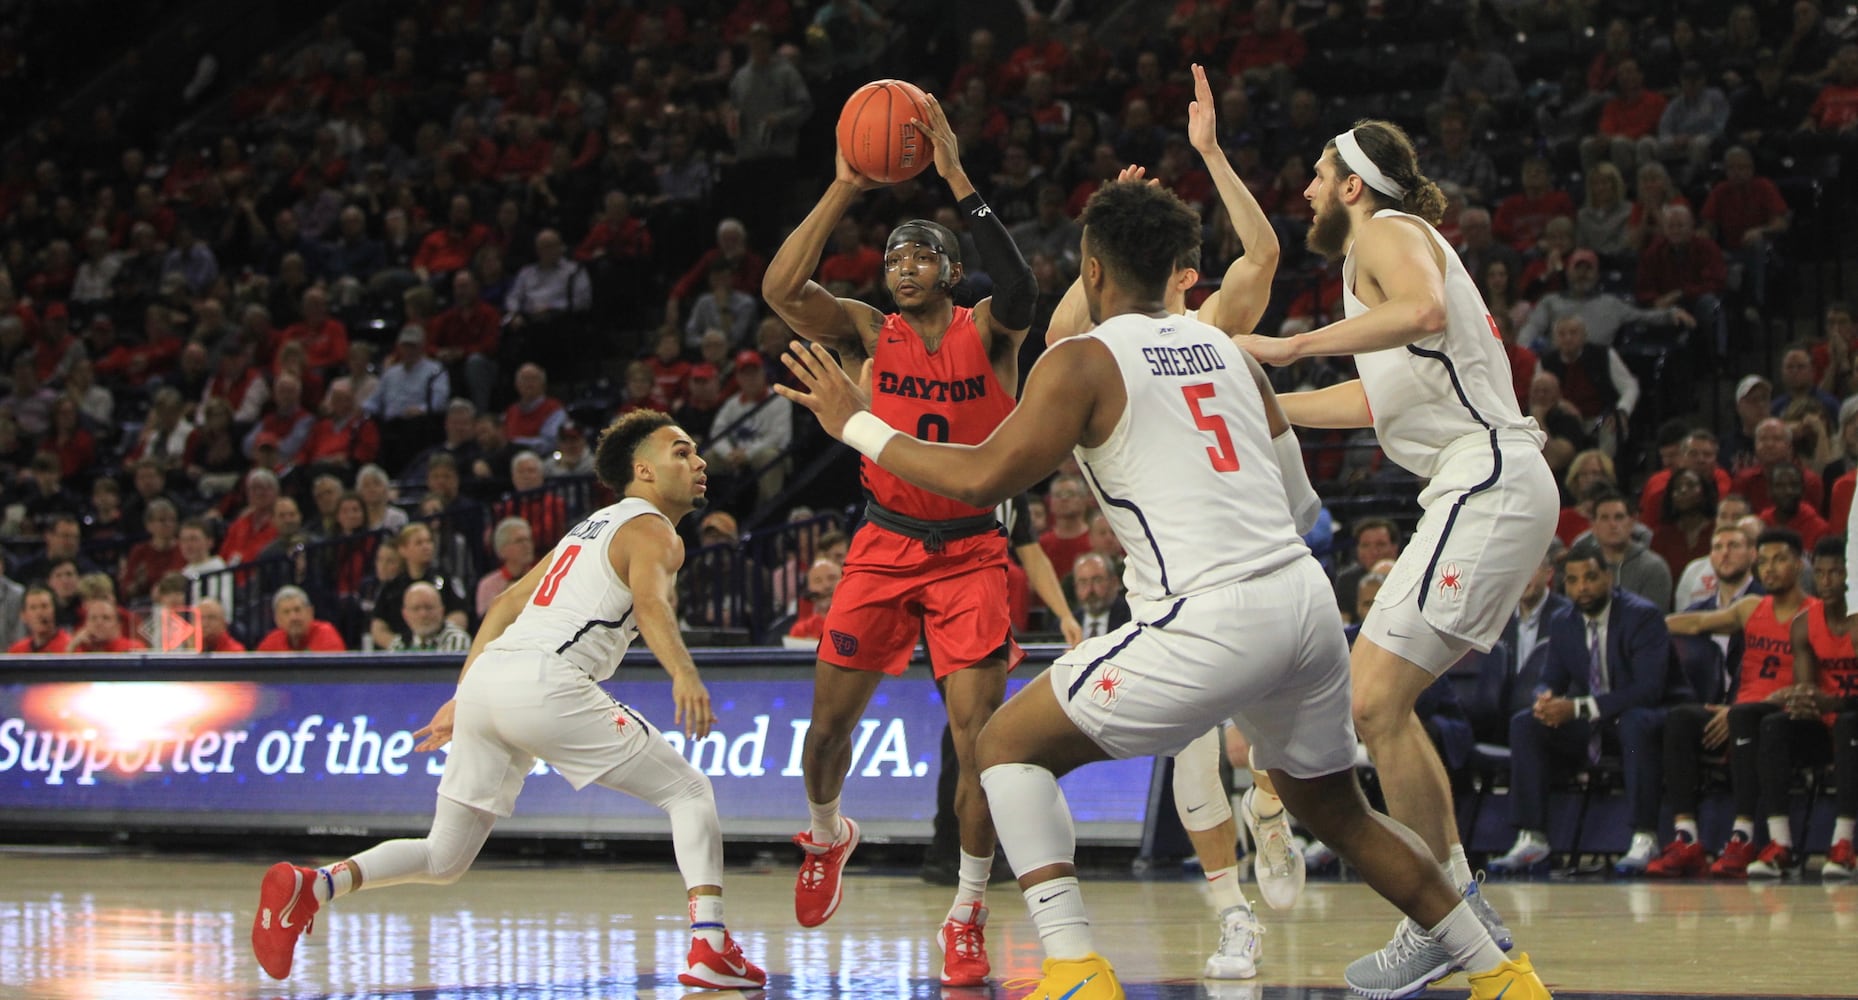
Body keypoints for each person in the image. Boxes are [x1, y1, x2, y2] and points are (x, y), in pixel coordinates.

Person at [777, 173, 1548, 1000]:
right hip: (1305, 604)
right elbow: (1300, 504)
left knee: (1003, 747)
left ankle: (1075, 969)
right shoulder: (1230, 351)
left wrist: (851, 421)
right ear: (1180, 267)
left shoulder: (1080, 361)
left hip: (1207, 616)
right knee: (1341, 812)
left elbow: (982, 478)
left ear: (1094, 269)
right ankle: (1501, 973)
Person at [249, 411, 766, 991]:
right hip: (545, 680)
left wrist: (462, 694)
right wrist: (685, 674)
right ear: (643, 470)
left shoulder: (588, 528)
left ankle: (313, 887)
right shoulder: (654, 531)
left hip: (493, 678)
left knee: (443, 856)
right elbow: (651, 604)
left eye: (696, 452)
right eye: (681, 451)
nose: (698, 462)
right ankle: (711, 947)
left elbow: (502, 607)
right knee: (689, 790)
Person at [1234, 119, 1557, 982]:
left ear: (1351, 185)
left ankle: (1445, 915)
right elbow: (1381, 401)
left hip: (1485, 475)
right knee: (1383, 701)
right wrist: (1267, 398)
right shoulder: (1383, 256)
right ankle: (1454, 906)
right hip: (1487, 478)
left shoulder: (1385, 234)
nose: (1304, 189)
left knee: (1373, 699)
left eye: (1315, 173)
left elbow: (1423, 311)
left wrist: (1291, 345)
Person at [759, 88, 1036, 986]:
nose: (903, 261)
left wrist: (955, 174)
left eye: (922, 251)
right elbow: (779, 290)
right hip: (883, 543)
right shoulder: (866, 333)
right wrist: (844, 185)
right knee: (826, 730)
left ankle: (966, 910)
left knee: (978, 739)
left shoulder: (990, 334)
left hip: (971, 551)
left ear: (953, 271)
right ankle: (828, 833)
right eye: (893, 252)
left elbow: (1025, 284)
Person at [1488, 540, 1678, 875]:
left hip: (1654, 717)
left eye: (1590, 578)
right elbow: (1550, 678)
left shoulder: (1641, 616)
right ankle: (1533, 838)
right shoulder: (1564, 622)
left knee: (1634, 721)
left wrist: (1576, 709)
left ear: (1609, 577)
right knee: (1526, 724)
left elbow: (1648, 690)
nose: (1582, 588)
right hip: (1598, 723)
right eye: (1573, 581)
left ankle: (1644, 836)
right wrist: (1545, 699)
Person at [1648, 529, 1810, 878]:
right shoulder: (1751, 607)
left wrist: (1737, 710)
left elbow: (1809, 682)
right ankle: (1687, 837)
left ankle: (1743, 835)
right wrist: (1649, 626)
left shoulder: (1814, 614)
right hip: (1739, 711)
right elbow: (1698, 622)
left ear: (1798, 565)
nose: (1770, 569)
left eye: (1779, 560)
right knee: (1680, 719)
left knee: (1748, 717)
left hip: (1778, 715)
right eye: (1764, 561)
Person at [1754, 536, 1858, 877]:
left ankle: (1842, 844)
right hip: (1826, 722)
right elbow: (1806, 686)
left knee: (1847, 722)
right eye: (1822, 573)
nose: (1827, 582)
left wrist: (1837, 702)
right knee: (1774, 725)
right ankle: (1780, 844)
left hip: (1850, 722)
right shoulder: (1804, 623)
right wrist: (1800, 698)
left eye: (1837, 573)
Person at [256, 587, 349, 652]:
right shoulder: (271, 642)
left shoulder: (326, 634)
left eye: (297, 610)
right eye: (286, 612)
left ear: (310, 612)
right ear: (277, 619)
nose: (293, 617)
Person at [390, 581, 474, 652]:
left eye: (429, 607)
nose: (423, 615)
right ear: (405, 615)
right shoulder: (399, 644)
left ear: (441, 611)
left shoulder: (456, 639)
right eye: (416, 609)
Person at [8, 586, 70, 653]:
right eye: (33, 608)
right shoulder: (17, 652)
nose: (39, 613)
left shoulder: (69, 647)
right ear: (23, 616)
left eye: (44, 606)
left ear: (55, 611)